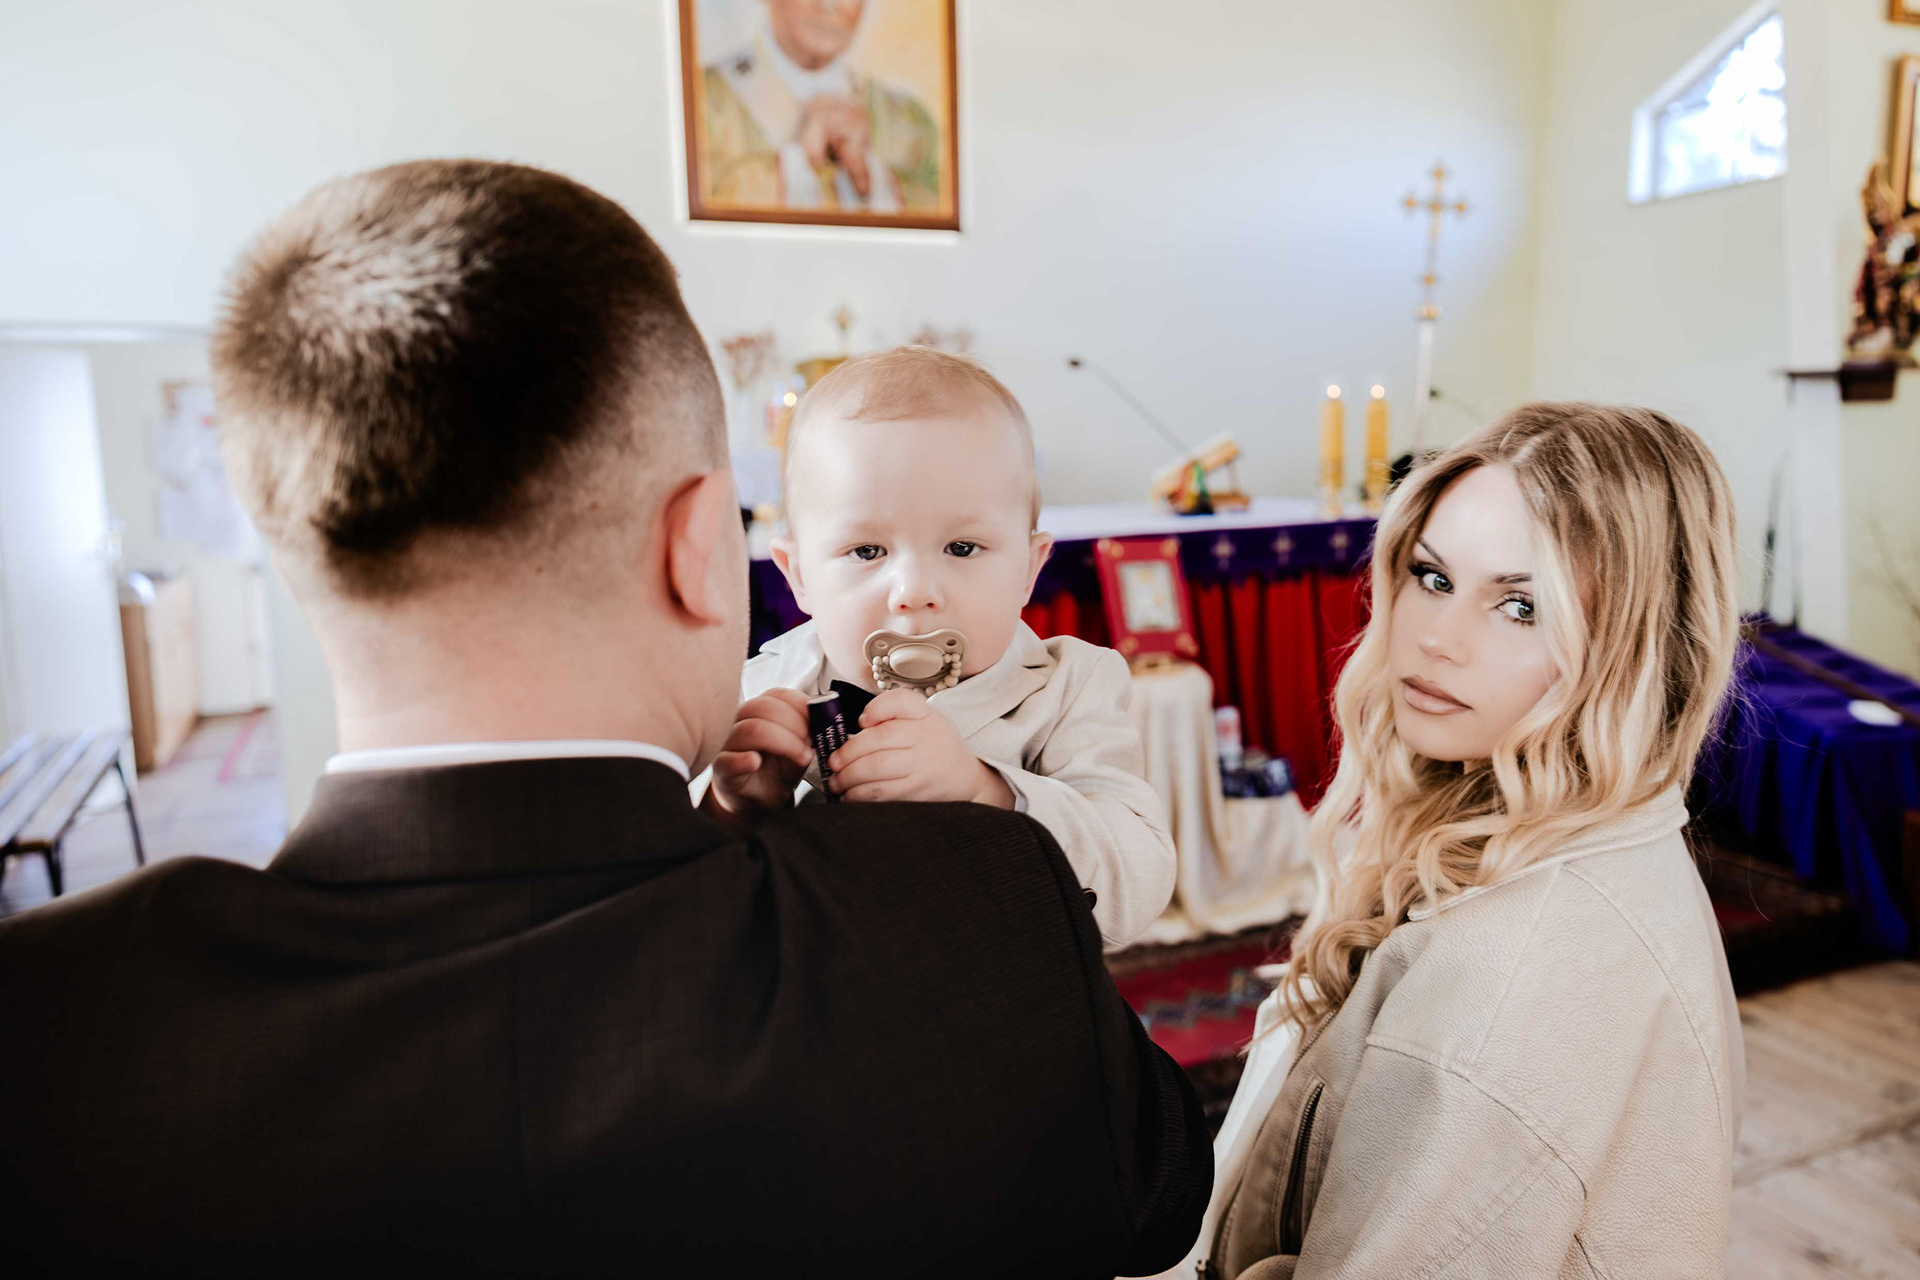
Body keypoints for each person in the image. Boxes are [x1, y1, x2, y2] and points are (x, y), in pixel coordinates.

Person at [0, 160, 1210, 1276]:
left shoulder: (52, 1022)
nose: (912, 585)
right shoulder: (983, 897)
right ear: (706, 545)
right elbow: (1158, 1198)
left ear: (294, 549)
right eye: (865, 548)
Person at [1180, 404, 1745, 1278]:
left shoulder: (1512, 976)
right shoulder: (1576, 836)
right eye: (1433, 576)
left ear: (1632, 647)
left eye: (1521, 606)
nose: (1435, 638)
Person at [707, 346, 1178, 947]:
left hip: (1008, 996)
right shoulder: (764, 689)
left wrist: (985, 791)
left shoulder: (1068, 689)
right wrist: (733, 808)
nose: (913, 592)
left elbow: (1137, 884)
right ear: (798, 575)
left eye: (961, 548)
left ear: (1028, 569)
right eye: (867, 551)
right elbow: (686, 905)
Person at [698, 0, 941, 213]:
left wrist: (873, 179)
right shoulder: (704, 101)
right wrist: (796, 164)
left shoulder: (907, 121)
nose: (828, 4)